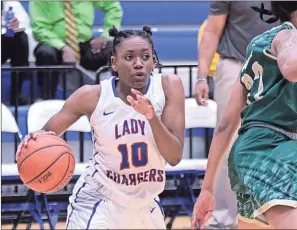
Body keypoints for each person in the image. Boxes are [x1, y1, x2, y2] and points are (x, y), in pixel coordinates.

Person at [16, 25, 185, 229]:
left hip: (144, 204)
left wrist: (151, 118)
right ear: (114, 63)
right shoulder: (92, 96)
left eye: (146, 56)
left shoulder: (168, 87)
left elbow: (174, 156)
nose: (138, 64)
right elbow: (46, 134)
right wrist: (33, 141)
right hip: (99, 202)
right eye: (129, 57)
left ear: (154, 62)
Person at [192, 1, 297, 229]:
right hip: (272, 148)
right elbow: (292, 69)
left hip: (246, 152)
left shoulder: (257, 45)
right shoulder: (290, 35)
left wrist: (207, 188)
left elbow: (225, 125)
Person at [29, 1, 123, 100]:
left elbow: (113, 7)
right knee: (45, 53)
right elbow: (39, 29)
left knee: (115, 49)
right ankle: (47, 100)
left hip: (85, 43)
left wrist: (106, 36)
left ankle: (117, 98)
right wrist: (63, 47)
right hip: (54, 43)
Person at [1, 1, 31, 105]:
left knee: (21, 38)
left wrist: (16, 25)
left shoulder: (12, 4)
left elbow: (24, 24)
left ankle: (16, 94)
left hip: (4, 43)